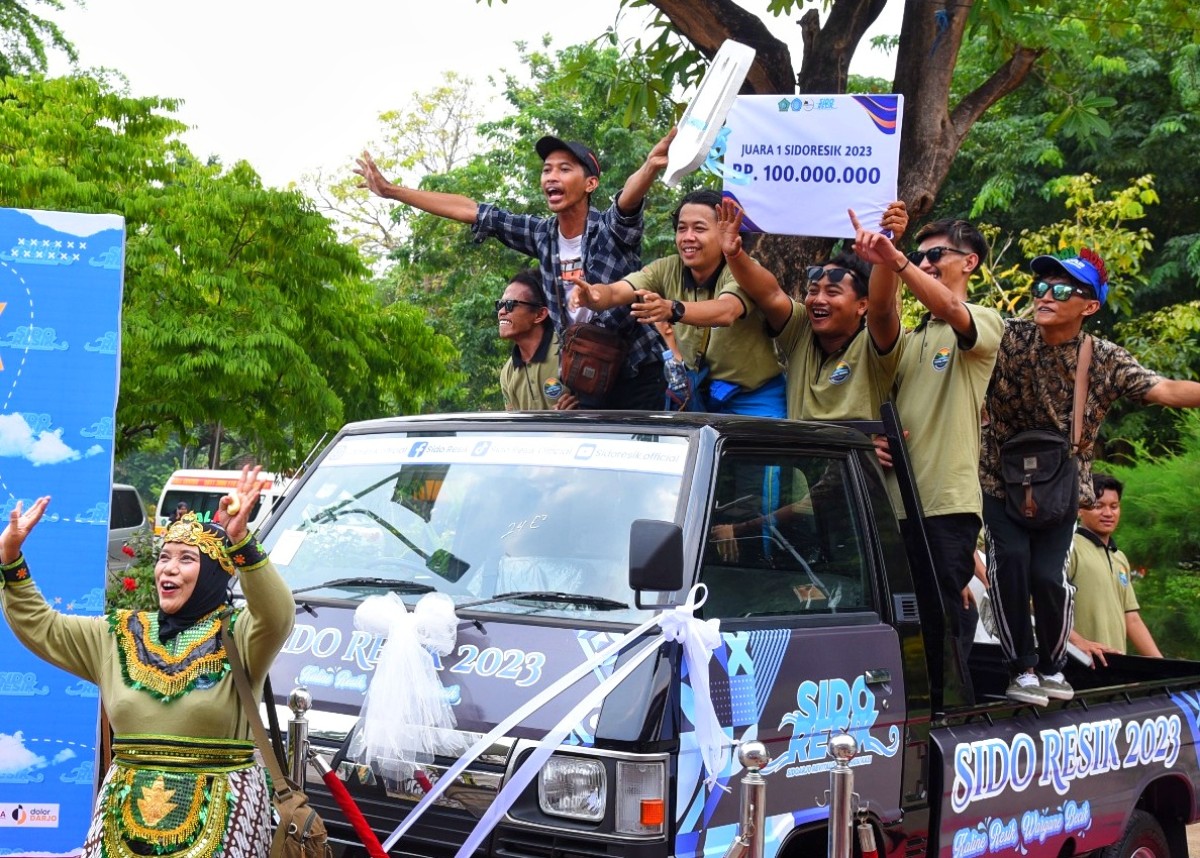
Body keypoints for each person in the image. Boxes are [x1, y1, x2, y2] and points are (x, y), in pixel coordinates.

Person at [0, 466, 294, 857]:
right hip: (121, 823)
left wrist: (239, 540)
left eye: (186, 559)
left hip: (225, 820)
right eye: (164, 557)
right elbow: (42, 626)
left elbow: (278, 615)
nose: (168, 568)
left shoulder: (240, 635)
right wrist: (11, 559)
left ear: (210, 575)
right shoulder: (119, 634)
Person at [979, 248, 1200, 705]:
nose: (1045, 295)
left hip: (1061, 491)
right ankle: (1020, 668)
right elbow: (954, 318)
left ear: (1090, 306)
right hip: (999, 482)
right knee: (1012, 565)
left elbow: (1167, 390)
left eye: (1062, 289)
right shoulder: (1007, 337)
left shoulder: (1103, 358)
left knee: (1046, 574)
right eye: (1041, 287)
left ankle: (1052, 665)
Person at [355, 129, 676, 409]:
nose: (552, 176)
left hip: (637, 371)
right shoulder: (542, 234)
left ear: (590, 183)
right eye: (547, 169)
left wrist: (649, 167)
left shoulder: (609, 230)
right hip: (585, 376)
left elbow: (628, 200)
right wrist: (391, 191)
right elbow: (473, 211)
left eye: (565, 169)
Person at [852, 215, 1003, 689]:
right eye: (920, 256)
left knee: (939, 617)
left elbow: (950, 308)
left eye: (935, 254)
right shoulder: (911, 338)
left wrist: (896, 260)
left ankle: (948, 719)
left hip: (944, 503)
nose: (925, 263)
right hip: (892, 504)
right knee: (893, 620)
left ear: (970, 262)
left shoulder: (983, 321)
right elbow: (878, 313)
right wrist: (885, 251)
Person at [570, 190, 786, 416]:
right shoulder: (666, 268)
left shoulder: (743, 269)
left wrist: (672, 308)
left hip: (755, 397)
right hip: (699, 392)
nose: (688, 237)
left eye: (699, 228)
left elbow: (727, 311)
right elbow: (616, 292)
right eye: (682, 228)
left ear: (724, 233)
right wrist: (594, 296)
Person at [723, 202, 908, 421]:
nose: (819, 300)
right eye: (813, 290)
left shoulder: (875, 344)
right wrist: (734, 254)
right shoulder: (800, 331)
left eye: (832, 292)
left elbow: (883, 309)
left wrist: (888, 247)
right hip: (800, 454)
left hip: (855, 455)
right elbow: (770, 294)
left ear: (862, 305)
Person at [1068, 473, 1162, 663]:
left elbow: (1132, 619)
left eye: (1114, 506)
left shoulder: (1119, 557)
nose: (1108, 513)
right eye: (1098, 506)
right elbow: (1043, 605)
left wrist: (1164, 666)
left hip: (1117, 668)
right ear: (1079, 509)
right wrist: (1078, 642)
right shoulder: (1070, 548)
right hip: (1080, 664)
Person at [498, 270, 577, 410]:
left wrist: (580, 410)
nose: (501, 312)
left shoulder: (569, 351)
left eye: (510, 304)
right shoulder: (507, 373)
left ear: (540, 314)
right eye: (500, 305)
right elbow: (515, 428)